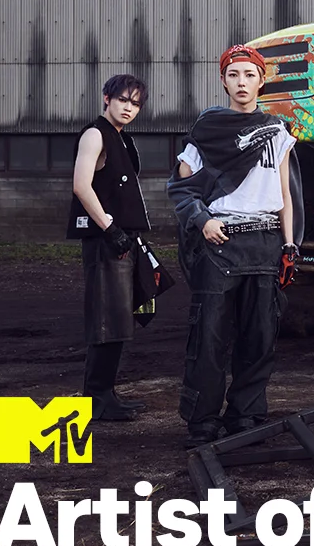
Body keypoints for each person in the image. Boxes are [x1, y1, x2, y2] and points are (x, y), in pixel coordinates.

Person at [167, 45, 300, 448]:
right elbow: (181, 188)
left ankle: (246, 417)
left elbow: (285, 194)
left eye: (249, 75)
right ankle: (202, 422)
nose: (242, 83)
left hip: (264, 245)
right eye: (234, 75)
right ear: (223, 80)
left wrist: (290, 244)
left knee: (259, 339)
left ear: (262, 80)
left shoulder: (277, 131)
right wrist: (203, 220)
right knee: (209, 339)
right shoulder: (206, 130)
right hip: (219, 244)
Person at [66, 74, 153, 422]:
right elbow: (80, 186)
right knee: (107, 319)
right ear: (106, 98)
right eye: (123, 100)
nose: (129, 108)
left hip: (126, 240)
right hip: (106, 242)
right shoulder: (95, 134)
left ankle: (105, 394)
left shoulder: (123, 139)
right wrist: (110, 228)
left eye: (135, 103)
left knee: (118, 319)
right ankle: (96, 399)